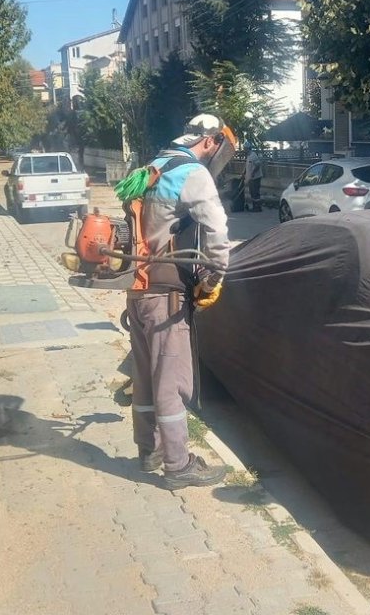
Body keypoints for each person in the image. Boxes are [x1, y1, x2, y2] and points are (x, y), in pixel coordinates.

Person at [127, 114, 237, 489]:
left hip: (138, 289)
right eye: (217, 150)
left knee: (143, 377)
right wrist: (214, 278)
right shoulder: (192, 173)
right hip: (167, 296)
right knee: (171, 381)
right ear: (210, 142)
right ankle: (178, 465)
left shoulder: (153, 166)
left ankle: (150, 450)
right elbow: (217, 234)